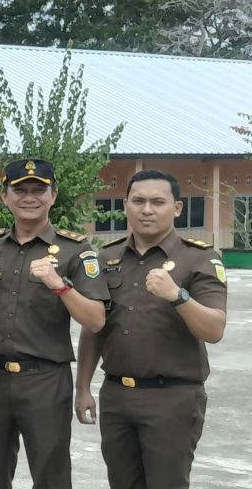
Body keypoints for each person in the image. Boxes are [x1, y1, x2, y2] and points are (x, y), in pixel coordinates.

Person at [0, 159, 108, 489]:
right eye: (20, 190)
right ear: (5, 196)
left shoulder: (76, 251)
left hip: (46, 379)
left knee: (51, 475)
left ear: (53, 195)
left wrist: (60, 284)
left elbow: (96, 320)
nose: (30, 197)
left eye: (39, 190)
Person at [75, 169, 227, 489]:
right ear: (126, 205)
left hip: (172, 398)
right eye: (138, 201)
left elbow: (214, 329)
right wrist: (83, 387)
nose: (147, 210)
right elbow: (94, 328)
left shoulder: (198, 258)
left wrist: (177, 295)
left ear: (177, 208)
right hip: (117, 396)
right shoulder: (107, 257)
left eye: (158, 202)